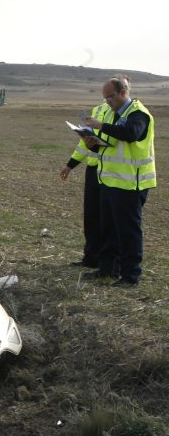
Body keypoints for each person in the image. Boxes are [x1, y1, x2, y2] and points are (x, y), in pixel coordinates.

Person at [83, 75, 156, 286]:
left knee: (128, 233)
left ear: (123, 92)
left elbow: (131, 134)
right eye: (105, 99)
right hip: (110, 182)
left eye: (110, 97)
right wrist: (92, 145)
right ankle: (107, 270)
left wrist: (101, 126)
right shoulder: (114, 114)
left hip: (131, 184)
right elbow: (112, 145)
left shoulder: (138, 114)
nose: (108, 102)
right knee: (108, 230)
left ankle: (131, 276)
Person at [60, 100, 114, 267]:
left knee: (107, 218)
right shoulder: (98, 110)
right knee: (91, 216)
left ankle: (107, 262)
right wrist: (70, 165)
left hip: (112, 170)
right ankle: (91, 258)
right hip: (93, 170)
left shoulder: (122, 113)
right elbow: (84, 144)